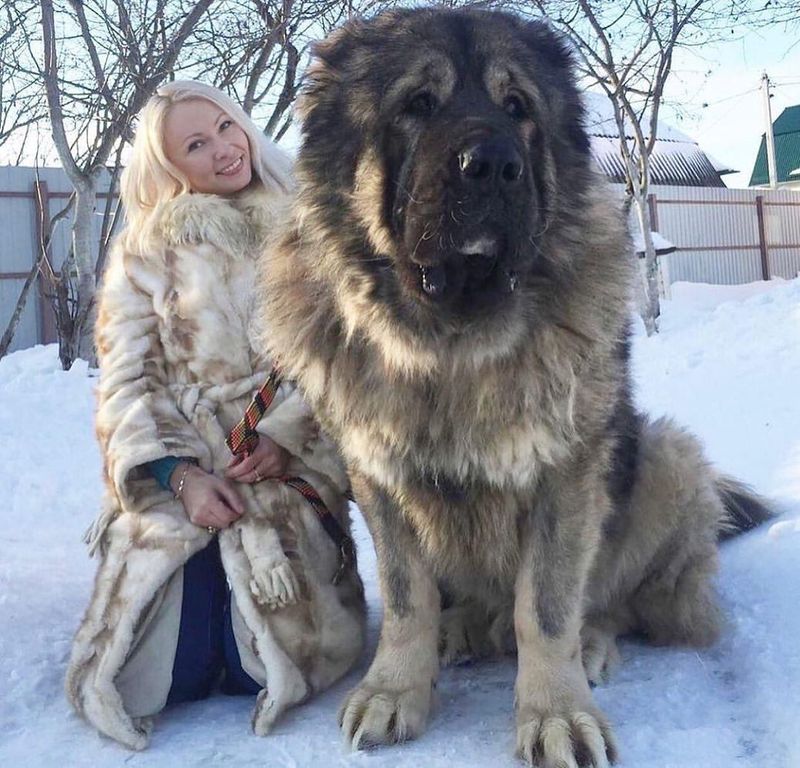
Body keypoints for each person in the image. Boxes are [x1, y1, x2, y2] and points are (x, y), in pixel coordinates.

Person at [65, 81, 365, 751]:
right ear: (169, 167)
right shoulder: (144, 253)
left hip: (285, 468)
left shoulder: (314, 224)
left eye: (226, 126)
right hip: (189, 468)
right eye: (195, 145)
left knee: (263, 645)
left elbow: (349, 354)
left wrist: (289, 438)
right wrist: (177, 476)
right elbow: (126, 380)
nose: (223, 149)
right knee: (157, 653)